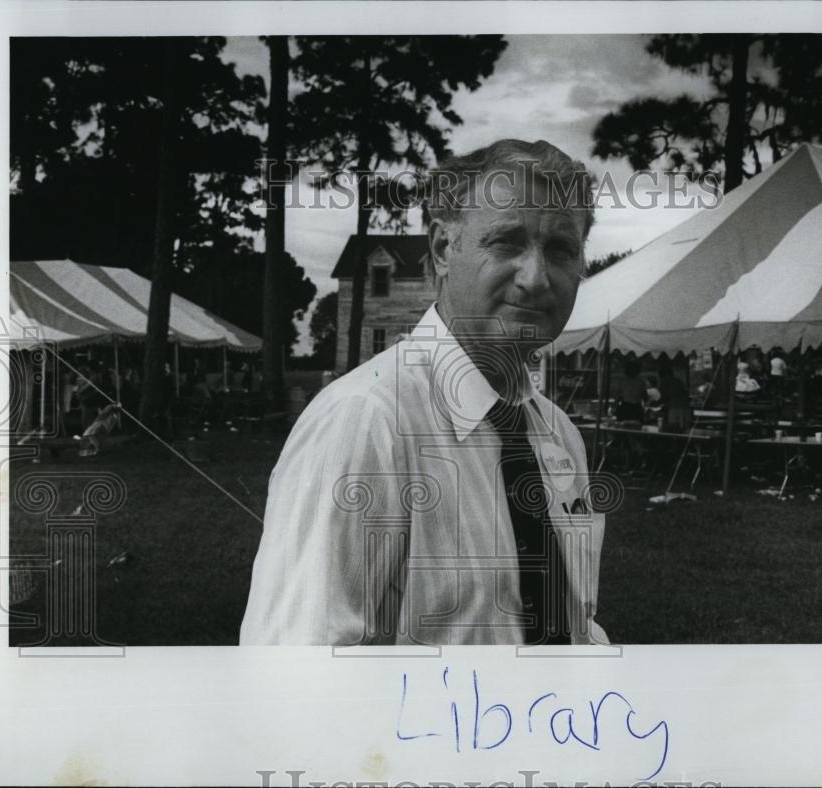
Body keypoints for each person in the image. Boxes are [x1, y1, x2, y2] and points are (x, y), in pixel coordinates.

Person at [241, 139, 607, 646]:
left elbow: (574, 625)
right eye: (507, 243)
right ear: (441, 250)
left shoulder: (559, 436)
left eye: (561, 250)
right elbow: (300, 671)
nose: (536, 278)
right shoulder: (366, 422)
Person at [615, 357, 647, 422]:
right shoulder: (640, 381)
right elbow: (645, 396)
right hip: (632, 407)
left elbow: (617, 395)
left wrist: (616, 404)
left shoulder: (640, 381)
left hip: (630, 407)